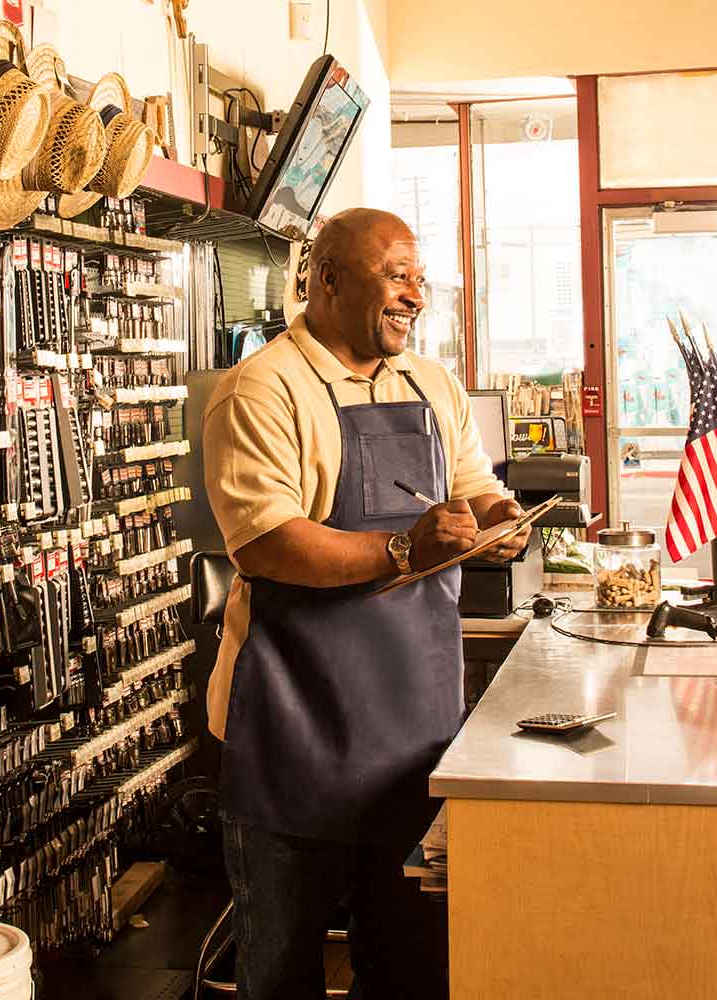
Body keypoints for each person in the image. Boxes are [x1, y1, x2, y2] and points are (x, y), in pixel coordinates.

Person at [202, 207, 529, 999]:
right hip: (293, 734)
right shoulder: (262, 390)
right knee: (280, 973)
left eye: (420, 279)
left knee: (411, 967)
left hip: (413, 737)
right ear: (327, 279)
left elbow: (476, 488)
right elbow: (268, 542)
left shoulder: (431, 383)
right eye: (396, 275)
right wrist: (403, 549)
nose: (414, 295)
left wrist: (499, 521)